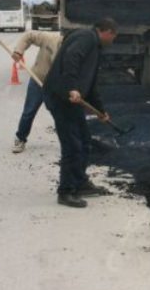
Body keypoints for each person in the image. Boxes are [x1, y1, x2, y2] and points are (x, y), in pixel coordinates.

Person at [43, 18, 118, 208]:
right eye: (113, 36)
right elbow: (71, 57)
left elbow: (90, 85)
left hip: (71, 100)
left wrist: (101, 111)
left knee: (84, 141)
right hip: (61, 98)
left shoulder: (95, 46)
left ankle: (81, 182)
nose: (113, 40)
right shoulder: (86, 38)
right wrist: (72, 87)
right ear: (107, 31)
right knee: (72, 145)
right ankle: (66, 191)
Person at [10, 30, 63, 154]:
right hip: (38, 79)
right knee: (29, 111)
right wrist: (19, 51)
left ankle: (68, 142)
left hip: (55, 86)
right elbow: (28, 36)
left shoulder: (73, 52)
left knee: (61, 115)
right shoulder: (50, 39)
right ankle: (20, 138)